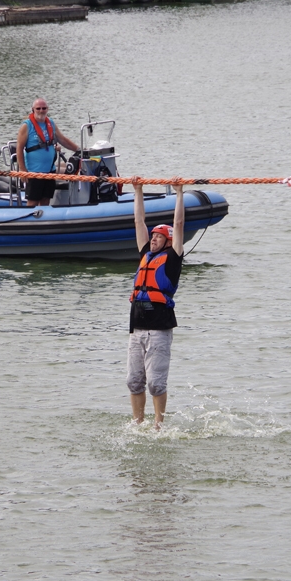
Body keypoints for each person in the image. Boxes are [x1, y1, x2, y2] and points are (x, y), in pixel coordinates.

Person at [126, 176, 185, 429]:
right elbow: (139, 221)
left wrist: (179, 193)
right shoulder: (145, 254)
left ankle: (159, 425)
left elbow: (179, 223)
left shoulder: (172, 258)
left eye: (159, 237)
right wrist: (138, 191)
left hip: (159, 330)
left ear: (168, 241)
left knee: (155, 383)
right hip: (137, 329)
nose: (153, 239)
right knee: (133, 381)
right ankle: (138, 423)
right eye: (153, 236)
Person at [16, 98, 79, 207]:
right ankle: (29, 222)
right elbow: (19, 148)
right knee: (33, 201)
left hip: (50, 170)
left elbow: (63, 140)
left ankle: (44, 222)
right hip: (34, 172)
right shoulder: (27, 126)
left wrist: (80, 150)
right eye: (38, 108)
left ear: (47, 109)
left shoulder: (51, 123)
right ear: (33, 109)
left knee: (46, 200)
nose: (41, 111)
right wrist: (22, 170)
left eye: (44, 108)